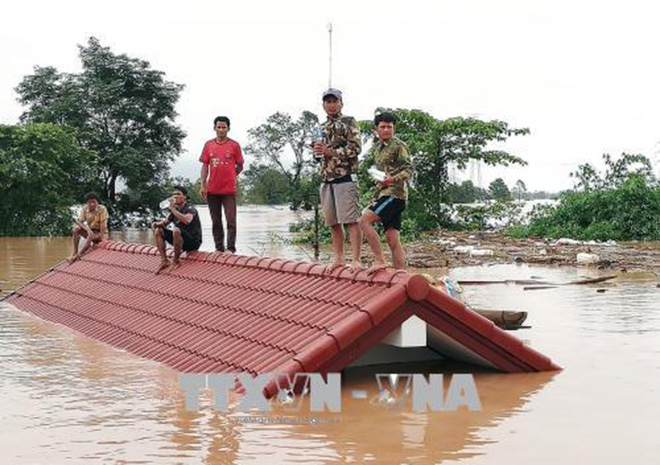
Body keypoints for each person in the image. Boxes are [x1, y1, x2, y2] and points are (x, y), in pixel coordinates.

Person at [312, 88, 363, 271]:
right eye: (328, 102)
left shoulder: (349, 122)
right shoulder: (320, 127)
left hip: (345, 176)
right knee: (332, 222)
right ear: (323, 105)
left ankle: (356, 259)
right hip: (326, 178)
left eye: (334, 101)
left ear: (341, 103)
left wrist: (330, 151)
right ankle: (339, 258)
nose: (331, 105)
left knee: (351, 220)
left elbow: (355, 149)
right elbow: (317, 155)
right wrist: (317, 151)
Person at [359, 112, 413, 272]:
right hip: (385, 194)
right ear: (376, 129)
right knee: (392, 237)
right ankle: (401, 274)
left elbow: (409, 170)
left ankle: (379, 260)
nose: (386, 130)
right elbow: (381, 177)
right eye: (383, 126)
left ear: (394, 128)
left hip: (395, 195)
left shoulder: (399, 146)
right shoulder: (377, 149)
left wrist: (392, 179)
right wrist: (375, 197)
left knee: (364, 221)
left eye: (389, 126)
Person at [199, 116, 244, 253]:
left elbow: (240, 165)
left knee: (231, 220)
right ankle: (219, 248)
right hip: (212, 190)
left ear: (228, 129)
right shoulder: (208, 145)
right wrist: (203, 185)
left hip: (229, 190)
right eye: (219, 127)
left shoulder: (234, 145)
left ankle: (230, 249)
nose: (221, 130)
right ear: (214, 128)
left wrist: (231, 175)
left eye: (224, 127)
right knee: (216, 221)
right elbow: (205, 166)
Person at [152, 186, 202, 273]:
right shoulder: (175, 211)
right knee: (159, 230)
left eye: (178, 194)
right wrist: (156, 224)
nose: (175, 197)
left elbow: (187, 220)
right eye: (174, 195)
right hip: (180, 238)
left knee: (176, 230)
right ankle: (164, 260)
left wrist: (173, 209)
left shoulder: (190, 209)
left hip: (192, 241)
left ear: (184, 197)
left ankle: (176, 261)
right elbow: (165, 223)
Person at [68, 192, 108, 263]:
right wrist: (87, 229)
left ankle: (79, 255)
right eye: (90, 202)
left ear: (97, 202)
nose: (92, 204)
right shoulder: (85, 209)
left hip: (101, 233)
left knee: (90, 235)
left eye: (94, 202)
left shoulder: (102, 209)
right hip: (91, 232)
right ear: (87, 203)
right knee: (76, 229)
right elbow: (79, 221)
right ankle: (75, 251)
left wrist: (101, 237)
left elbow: (103, 225)